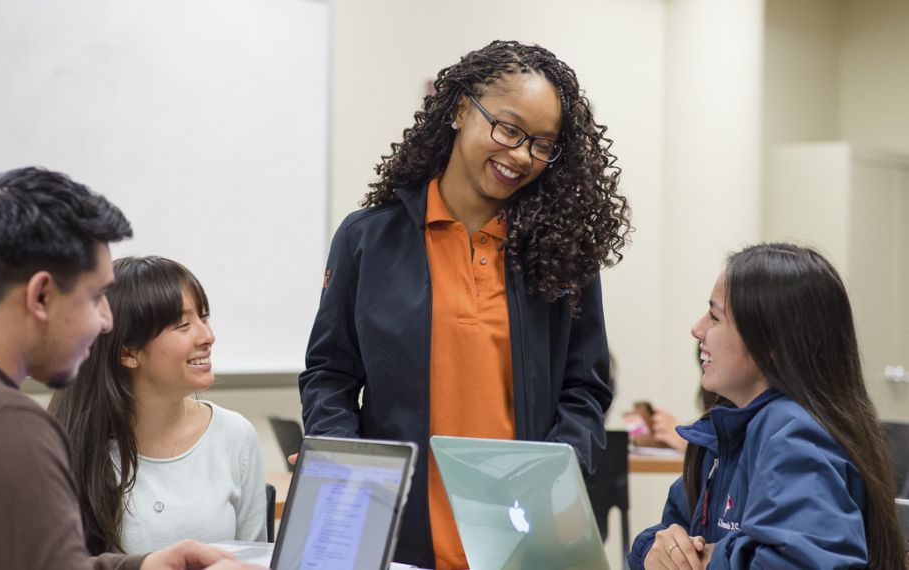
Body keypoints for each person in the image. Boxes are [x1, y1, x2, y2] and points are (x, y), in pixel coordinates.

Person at [298, 40, 631, 569]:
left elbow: (585, 388)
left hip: (522, 542)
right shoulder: (368, 239)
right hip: (397, 541)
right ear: (459, 110)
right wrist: (346, 462)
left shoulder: (561, 252)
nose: (522, 155)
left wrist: (558, 472)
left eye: (543, 144)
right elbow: (329, 374)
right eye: (508, 128)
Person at [0, 167, 261, 570]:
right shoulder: (0, 427)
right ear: (41, 296)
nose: (105, 321)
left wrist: (141, 567)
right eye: (96, 297)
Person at [629, 243, 907, 569]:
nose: (697, 329)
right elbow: (672, 530)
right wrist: (654, 550)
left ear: (772, 343)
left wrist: (711, 560)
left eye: (715, 316)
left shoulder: (794, 433)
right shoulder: (726, 433)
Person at [50, 256, 267, 555]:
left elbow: (255, 559)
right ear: (128, 352)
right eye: (182, 325)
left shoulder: (235, 435)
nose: (207, 336)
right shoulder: (74, 445)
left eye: (204, 317)